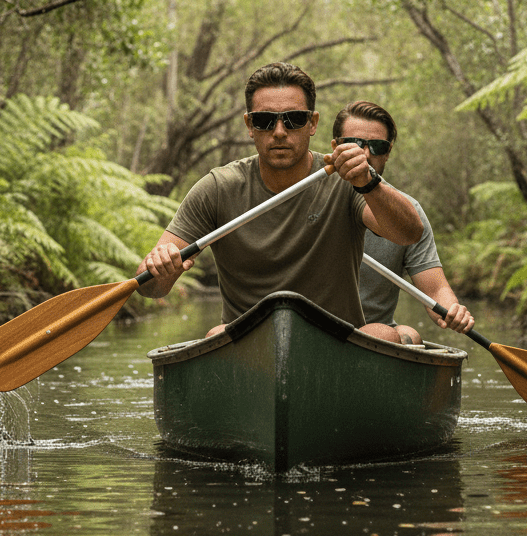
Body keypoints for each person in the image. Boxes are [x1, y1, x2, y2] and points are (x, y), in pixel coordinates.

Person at [137, 63, 423, 337]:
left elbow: (409, 233)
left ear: (312, 123)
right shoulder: (217, 188)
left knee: (383, 333)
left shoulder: (348, 178)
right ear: (249, 125)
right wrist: (159, 269)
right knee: (216, 334)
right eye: (264, 121)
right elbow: (150, 288)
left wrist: (369, 184)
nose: (279, 132)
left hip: (336, 341)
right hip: (250, 345)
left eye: (294, 119)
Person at [331, 100, 474, 345]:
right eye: (353, 144)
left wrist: (453, 310)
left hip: (373, 334)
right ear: (335, 147)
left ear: (387, 153)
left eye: (376, 147)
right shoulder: (308, 195)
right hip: (313, 327)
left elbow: (435, 290)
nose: (364, 155)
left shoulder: (408, 213)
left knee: (408, 335)